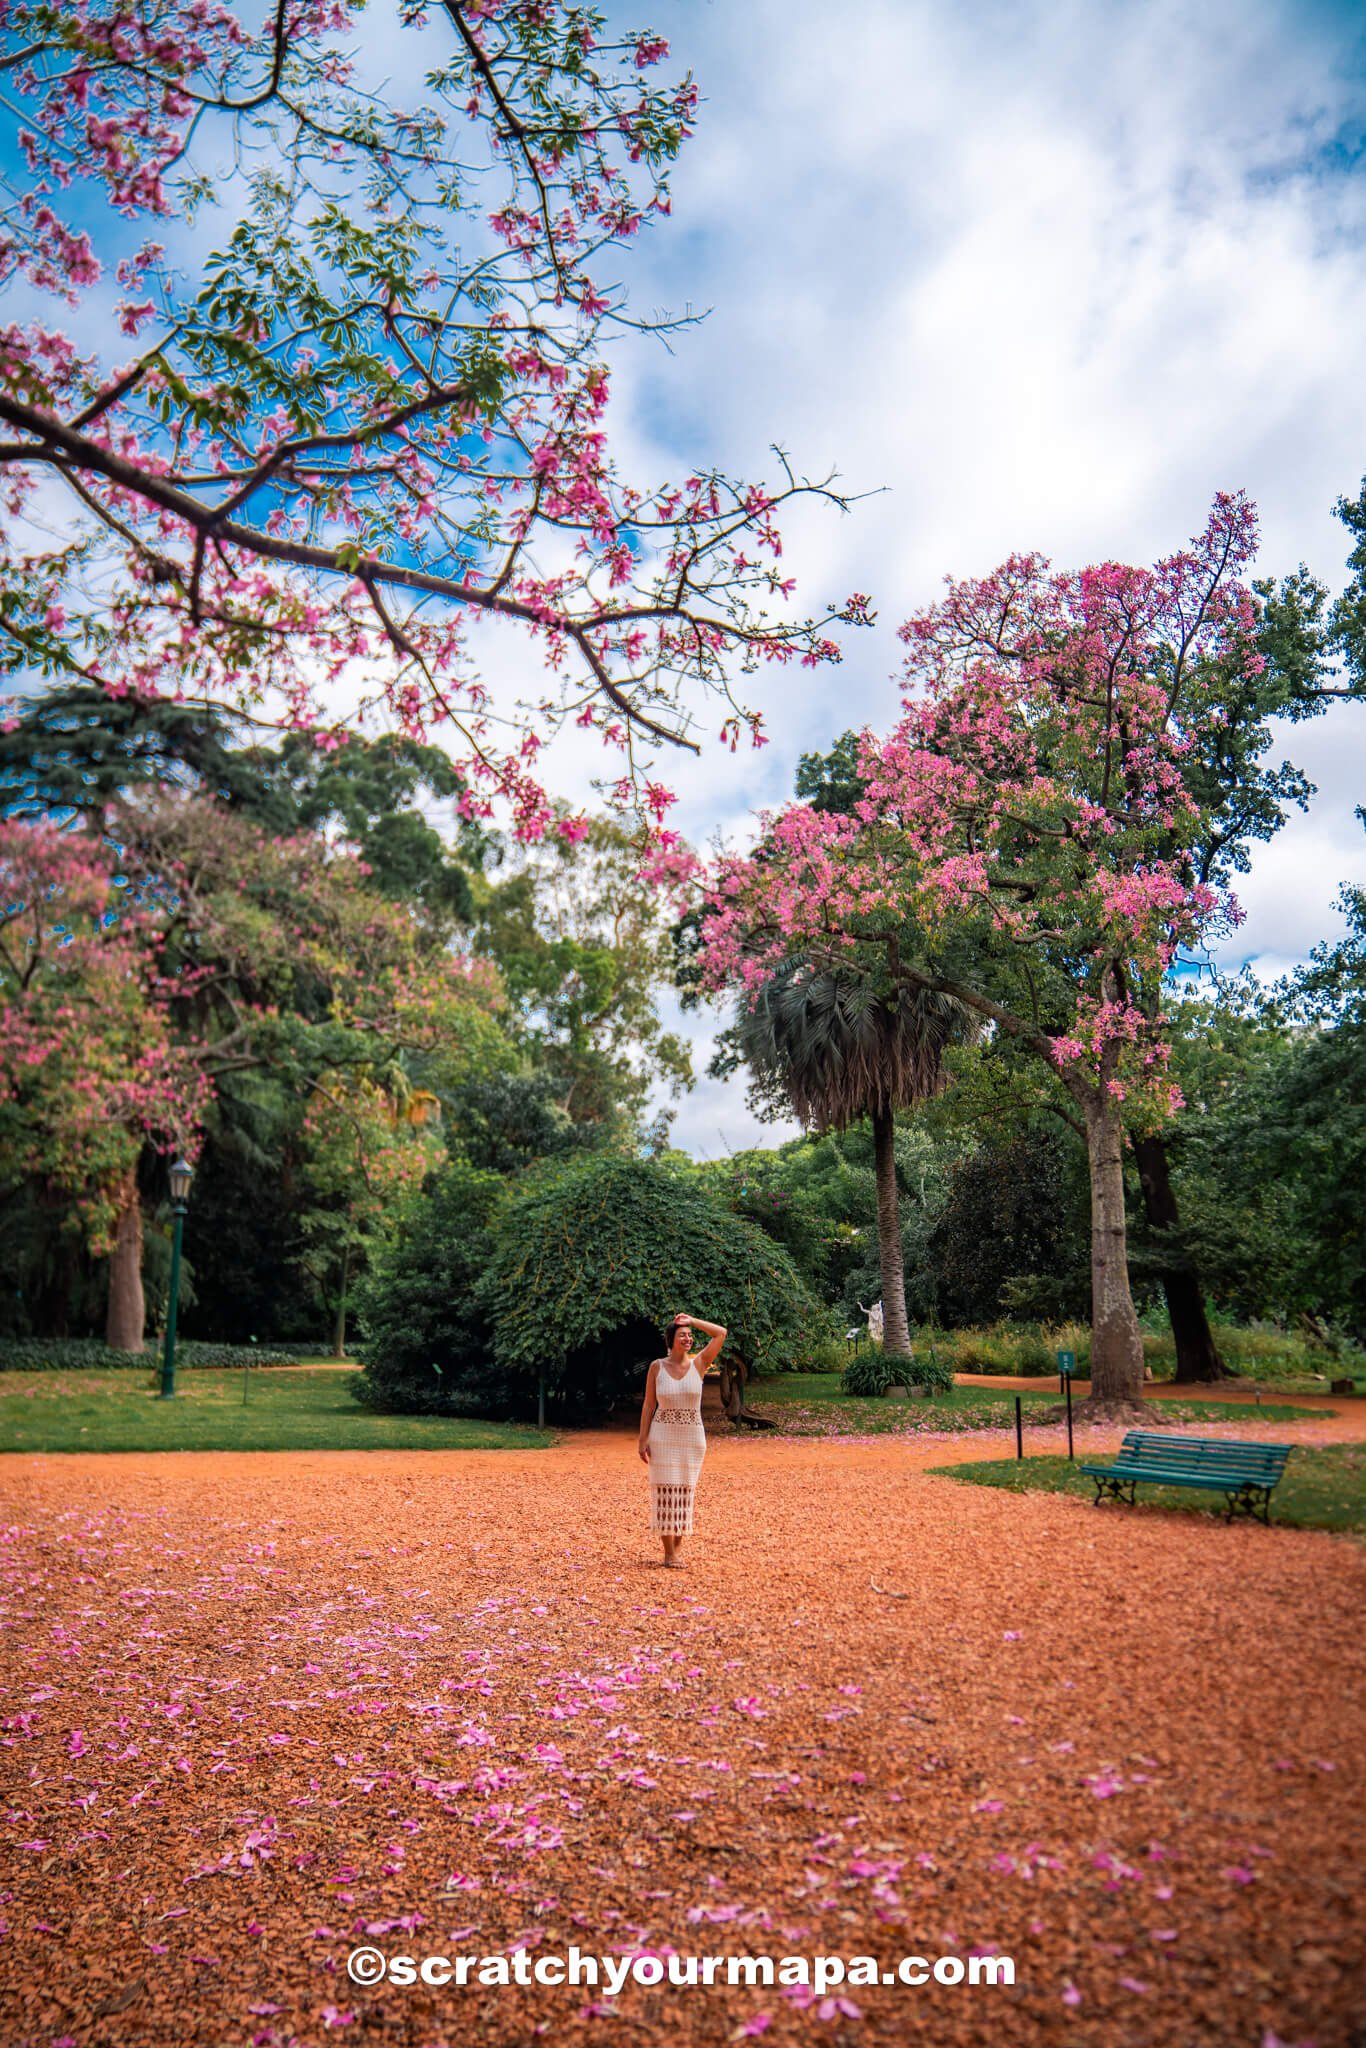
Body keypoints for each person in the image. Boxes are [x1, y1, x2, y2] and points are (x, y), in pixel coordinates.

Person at [637, 1310, 726, 1568]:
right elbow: (648, 1405)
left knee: (685, 1493)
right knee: (665, 1492)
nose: (687, 1339)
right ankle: (668, 1552)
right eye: (682, 1335)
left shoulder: (699, 1364)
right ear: (670, 1340)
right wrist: (642, 1439)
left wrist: (692, 1321)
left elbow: (721, 1333)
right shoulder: (657, 1367)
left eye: (689, 1335)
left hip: (691, 1437)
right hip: (663, 1435)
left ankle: (677, 1548)